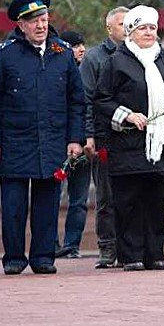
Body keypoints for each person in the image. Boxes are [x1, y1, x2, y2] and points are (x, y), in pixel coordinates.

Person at [0, 0, 85, 275]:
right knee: (13, 206)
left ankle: (43, 257)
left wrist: (75, 139)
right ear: (21, 24)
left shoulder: (62, 53)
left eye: (44, 19)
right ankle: (14, 257)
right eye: (33, 21)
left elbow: (77, 100)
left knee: (47, 205)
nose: (40, 26)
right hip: (14, 142)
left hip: (52, 141)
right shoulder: (4, 54)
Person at [94, 5, 164, 271]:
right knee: (128, 201)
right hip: (128, 144)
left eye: (152, 28)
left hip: (160, 144)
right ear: (130, 32)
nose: (148, 32)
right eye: (142, 28)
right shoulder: (116, 62)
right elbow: (101, 99)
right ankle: (131, 256)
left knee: (156, 200)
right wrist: (127, 115)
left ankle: (155, 254)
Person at [80, 6, 128, 268]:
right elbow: (86, 99)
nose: (127, 29)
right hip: (105, 136)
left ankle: (130, 247)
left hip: (132, 137)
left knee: (131, 195)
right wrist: (89, 135)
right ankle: (107, 247)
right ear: (109, 28)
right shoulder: (95, 58)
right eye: (121, 24)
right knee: (107, 196)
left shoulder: (139, 54)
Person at [53, 30, 89, 259]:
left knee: (79, 200)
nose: (81, 49)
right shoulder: (56, 72)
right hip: (58, 145)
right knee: (52, 197)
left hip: (83, 146)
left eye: (82, 44)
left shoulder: (89, 72)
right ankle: (51, 244)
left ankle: (72, 245)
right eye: (75, 45)